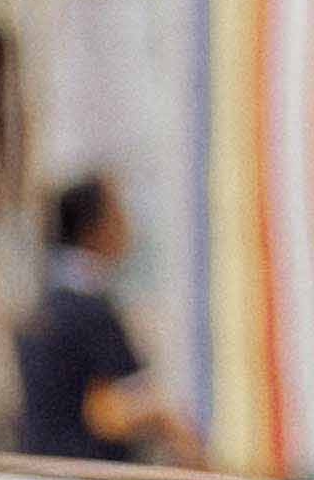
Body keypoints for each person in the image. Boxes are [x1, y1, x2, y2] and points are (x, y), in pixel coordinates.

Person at [13, 167, 188, 464]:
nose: (128, 225)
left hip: (44, 471)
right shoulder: (87, 309)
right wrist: (175, 430)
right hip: (85, 476)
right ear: (94, 228)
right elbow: (107, 410)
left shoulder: (47, 302)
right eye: (118, 212)